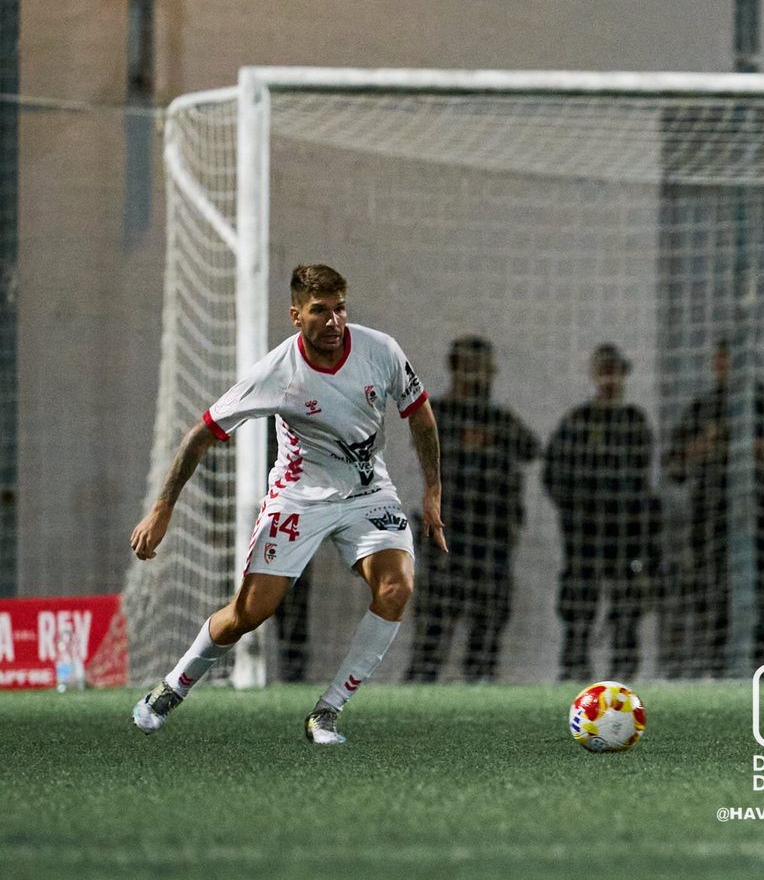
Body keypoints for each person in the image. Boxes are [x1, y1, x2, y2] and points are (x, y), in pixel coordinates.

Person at [129, 264, 445, 745]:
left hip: (367, 492)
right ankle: (173, 686)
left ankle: (328, 712)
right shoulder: (277, 372)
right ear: (296, 315)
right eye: (320, 311)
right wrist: (162, 508)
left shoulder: (380, 350)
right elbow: (201, 435)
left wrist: (432, 489)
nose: (334, 321)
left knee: (397, 588)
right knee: (251, 612)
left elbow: (419, 414)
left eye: (340, 308)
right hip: (298, 498)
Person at [664, 338, 764, 674]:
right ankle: (720, 669)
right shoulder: (702, 410)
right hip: (712, 519)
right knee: (713, 597)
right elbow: (675, 469)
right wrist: (702, 448)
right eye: (723, 360)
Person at [404, 335, 539, 683]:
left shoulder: (499, 417)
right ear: (456, 369)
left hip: (493, 537)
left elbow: (530, 448)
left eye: (484, 368)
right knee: (434, 628)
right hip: (449, 535)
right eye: (471, 368)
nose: (480, 376)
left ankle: (480, 688)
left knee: (488, 625)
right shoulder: (438, 413)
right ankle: (419, 694)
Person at [542, 343, 659, 681]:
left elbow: (642, 476)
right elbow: (553, 473)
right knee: (579, 608)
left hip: (625, 534)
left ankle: (625, 678)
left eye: (616, 371)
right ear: (595, 374)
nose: (610, 378)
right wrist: (575, 510)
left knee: (626, 610)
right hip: (585, 535)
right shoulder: (578, 421)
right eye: (605, 370)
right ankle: (574, 673)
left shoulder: (634, 421)